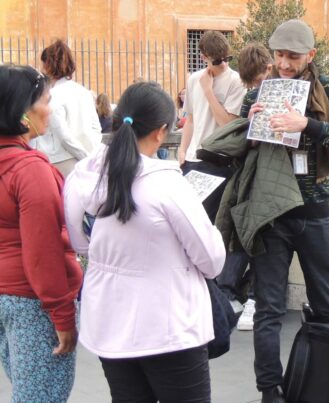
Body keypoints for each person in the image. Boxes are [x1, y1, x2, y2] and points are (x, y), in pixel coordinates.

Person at [63, 82, 225, 402]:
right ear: (162, 131)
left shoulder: (84, 176)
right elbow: (211, 260)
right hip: (169, 326)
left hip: (108, 321)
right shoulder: (167, 185)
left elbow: (80, 243)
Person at [241, 19, 329, 403]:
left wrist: (307, 124)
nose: (284, 63)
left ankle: (326, 385)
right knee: (269, 309)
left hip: (314, 211)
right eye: (279, 55)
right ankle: (269, 391)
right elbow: (234, 150)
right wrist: (248, 122)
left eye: (293, 56)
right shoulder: (260, 90)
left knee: (327, 307)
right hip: (271, 213)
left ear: (310, 55)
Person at [0, 64, 82, 402]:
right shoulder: (29, 170)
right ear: (23, 110)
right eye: (46, 100)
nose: (51, 109)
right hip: (33, 304)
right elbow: (43, 253)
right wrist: (62, 315)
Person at [215, 41, 274, 331]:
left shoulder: (285, 91)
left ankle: (253, 298)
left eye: (261, 80)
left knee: (263, 242)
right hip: (251, 177)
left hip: (276, 180)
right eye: (253, 84)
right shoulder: (251, 99)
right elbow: (246, 142)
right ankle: (236, 296)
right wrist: (250, 123)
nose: (257, 87)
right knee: (243, 236)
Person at [178, 30, 246, 222]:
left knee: (208, 224)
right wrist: (182, 151)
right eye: (217, 61)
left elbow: (227, 124)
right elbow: (191, 119)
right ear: (204, 57)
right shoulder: (193, 80)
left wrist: (208, 91)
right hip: (192, 159)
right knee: (187, 221)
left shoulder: (236, 81)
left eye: (227, 59)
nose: (223, 64)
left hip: (219, 161)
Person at [31, 39, 102, 177]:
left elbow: (63, 136)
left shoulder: (51, 96)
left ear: (47, 65)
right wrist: (89, 153)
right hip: (86, 158)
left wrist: (84, 156)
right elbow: (96, 128)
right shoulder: (84, 92)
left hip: (60, 160)